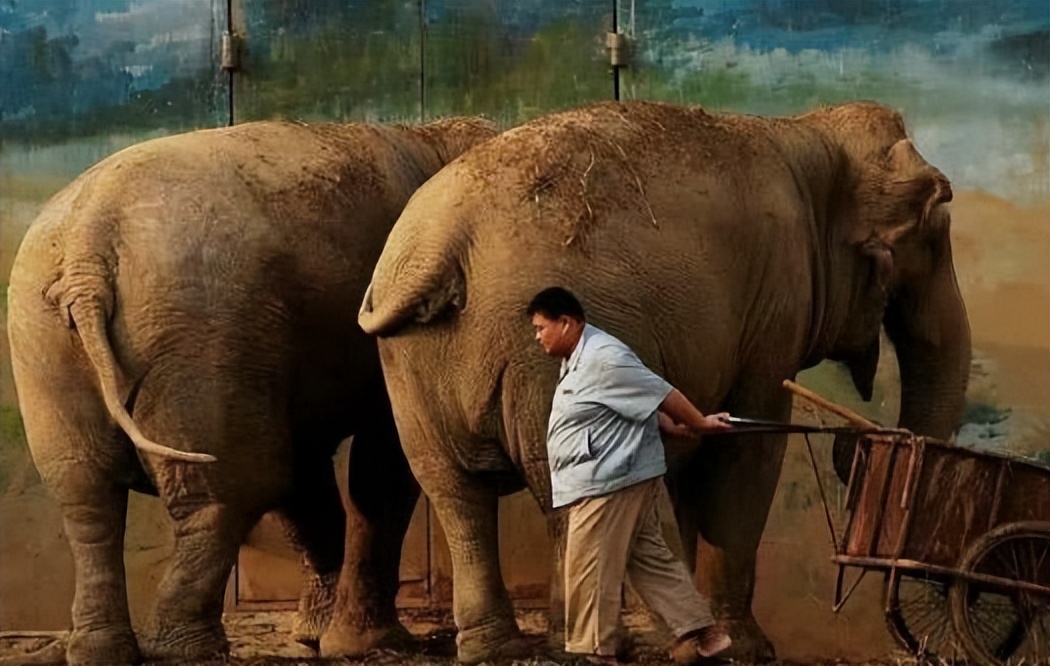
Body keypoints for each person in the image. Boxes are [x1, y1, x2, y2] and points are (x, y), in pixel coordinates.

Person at [527, 286, 735, 666]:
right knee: (648, 559)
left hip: (608, 480)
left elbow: (660, 390)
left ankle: (596, 653)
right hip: (614, 475)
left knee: (589, 567)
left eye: (541, 328)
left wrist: (699, 422)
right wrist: (670, 425)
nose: (538, 336)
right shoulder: (581, 356)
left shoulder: (605, 357)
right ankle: (703, 632)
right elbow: (626, 399)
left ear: (567, 323)